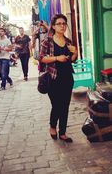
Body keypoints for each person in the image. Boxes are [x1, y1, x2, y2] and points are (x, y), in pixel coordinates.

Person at [39, 14, 78, 143]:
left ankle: (63, 132)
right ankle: (52, 126)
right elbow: (41, 58)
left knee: (65, 105)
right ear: (54, 26)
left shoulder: (68, 42)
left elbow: (71, 60)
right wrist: (56, 58)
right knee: (56, 105)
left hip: (67, 77)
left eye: (64, 23)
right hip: (53, 78)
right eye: (59, 23)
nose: (62, 26)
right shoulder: (47, 41)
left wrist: (75, 52)